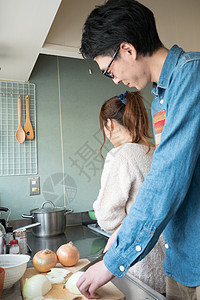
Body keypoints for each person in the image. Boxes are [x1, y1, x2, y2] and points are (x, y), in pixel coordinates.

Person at [77, 1, 200, 299]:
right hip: (179, 258)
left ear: (128, 50)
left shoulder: (192, 77)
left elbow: (166, 181)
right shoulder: (160, 100)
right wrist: (126, 231)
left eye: (109, 70)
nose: (116, 79)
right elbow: (164, 175)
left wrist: (112, 262)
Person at [94, 90, 165, 294]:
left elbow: (106, 217)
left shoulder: (121, 155)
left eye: (104, 127)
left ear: (111, 124)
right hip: (167, 266)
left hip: (138, 266)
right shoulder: (156, 151)